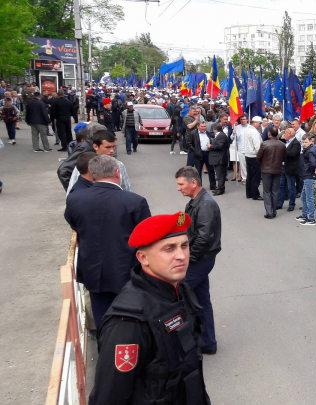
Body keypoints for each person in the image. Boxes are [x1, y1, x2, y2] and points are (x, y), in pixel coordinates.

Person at [89, 212, 211, 405]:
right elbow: (108, 397)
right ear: (143, 258)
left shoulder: (180, 289)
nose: (181, 256)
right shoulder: (129, 322)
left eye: (184, 246)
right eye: (169, 248)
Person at [64, 155, 151, 323]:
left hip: (93, 272)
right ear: (117, 172)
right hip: (128, 273)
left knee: (102, 319)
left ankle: (104, 347)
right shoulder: (135, 201)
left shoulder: (75, 199)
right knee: (130, 321)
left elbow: (73, 223)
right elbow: (147, 237)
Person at [176, 166, 221, 355]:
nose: (178, 188)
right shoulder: (195, 201)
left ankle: (186, 342)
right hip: (198, 259)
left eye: (181, 184)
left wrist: (188, 259)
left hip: (199, 260)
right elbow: (187, 226)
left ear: (193, 183)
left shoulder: (206, 205)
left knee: (179, 296)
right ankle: (207, 342)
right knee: (201, 300)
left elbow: (204, 237)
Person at [257, 126, 286, 218]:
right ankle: (273, 211)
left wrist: (262, 163)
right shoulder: (282, 144)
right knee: (275, 191)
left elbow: (258, 157)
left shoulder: (264, 144)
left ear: (269, 134)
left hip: (266, 170)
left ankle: (270, 212)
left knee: (267, 191)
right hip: (277, 169)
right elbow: (284, 158)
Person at [297, 134, 316, 225]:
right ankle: (304, 215)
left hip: (308, 176)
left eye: (306, 142)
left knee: (309, 198)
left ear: (310, 141)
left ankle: (311, 219)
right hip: (308, 175)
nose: (304, 144)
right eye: (303, 142)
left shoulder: (310, 151)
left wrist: (313, 171)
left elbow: (313, 163)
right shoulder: (311, 150)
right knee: (304, 197)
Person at [277, 127, 301, 211]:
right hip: (283, 167)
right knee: (281, 186)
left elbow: (292, 154)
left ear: (289, 134)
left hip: (291, 168)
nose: (284, 135)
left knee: (291, 187)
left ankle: (291, 204)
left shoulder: (296, 143)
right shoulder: (286, 141)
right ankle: (279, 203)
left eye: (286, 133)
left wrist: (282, 151)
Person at [244, 116, 264, 200]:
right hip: (254, 156)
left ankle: (249, 193)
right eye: (260, 123)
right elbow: (258, 147)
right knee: (256, 176)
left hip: (248, 155)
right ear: (255, 122)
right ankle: (255, 194)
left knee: (249, 175)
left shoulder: (247, 130)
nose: (260, 125)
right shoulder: (254, 132)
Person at [207, 123, 229, 196]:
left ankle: (220, 189)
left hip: (220, 158)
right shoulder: (220, 135)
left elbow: (219, 146)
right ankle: (220, 188)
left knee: (220, 175)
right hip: (219, 158)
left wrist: (210, 146)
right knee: (220, 175)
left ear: (215, 129)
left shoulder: (221, 136)